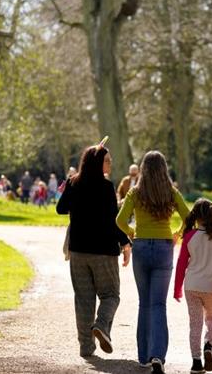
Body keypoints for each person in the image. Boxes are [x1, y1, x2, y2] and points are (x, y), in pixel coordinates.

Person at [56, 138, 131, 358]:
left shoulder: (73, 183)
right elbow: (112, 220)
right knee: (110, 296)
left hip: (79, 250)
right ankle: (101, 325)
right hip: (103, 252)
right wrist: (125, 242)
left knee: (84, 299)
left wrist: (67, 188)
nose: (110, 164)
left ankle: (86, 347)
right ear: (97, 163)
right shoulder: (107, 187)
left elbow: (61, 209)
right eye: (107, 160)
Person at [116, 151, 189, 373]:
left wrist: (131, 232)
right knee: (158, 304)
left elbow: (119, 220)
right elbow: (190, 217)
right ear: (164, 169)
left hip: (140, 246)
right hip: (164, 247)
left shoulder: (135, 193)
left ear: (143, 169)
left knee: (144, 303)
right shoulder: (171, 192)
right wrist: (178, 234)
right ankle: (158, 355)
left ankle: (144, 356)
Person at [174, 198, 212, 373]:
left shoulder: (188, 237)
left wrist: (177, 289)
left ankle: (196, 362)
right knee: (211, 320)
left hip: (191, 286)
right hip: (210, 288)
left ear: (196, 216)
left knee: (195, 324)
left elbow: (181, 264)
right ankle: (208, 345)